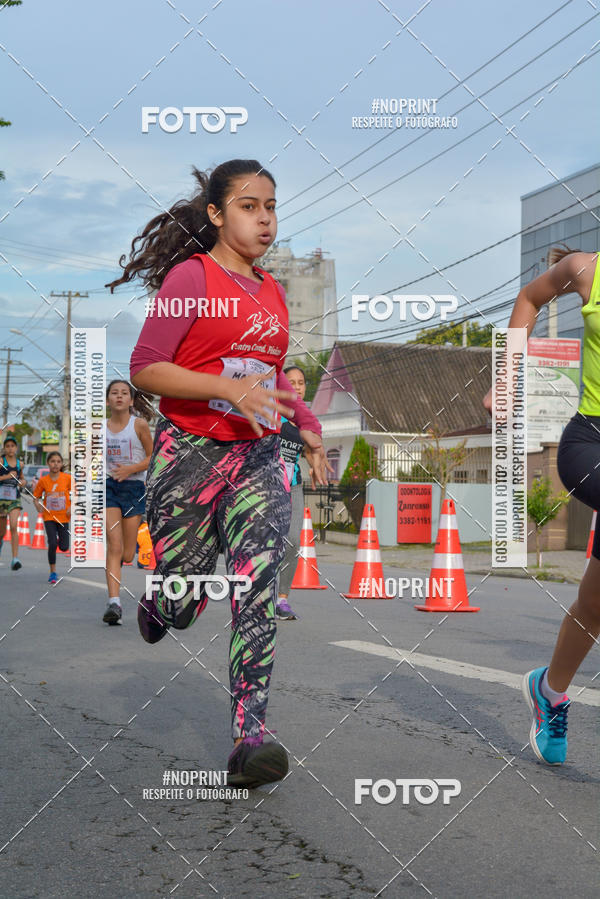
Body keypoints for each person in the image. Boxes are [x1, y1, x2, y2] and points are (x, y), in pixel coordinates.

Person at [110, 158, 331, 787]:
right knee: (185, 598)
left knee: (256, 588)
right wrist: (219, 389)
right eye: (248, 206)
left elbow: (272, 379)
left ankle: (249, 738)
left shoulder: (274, 291)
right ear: (215, 213)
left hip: (257, 458)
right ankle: (162, 601)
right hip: (190, 453)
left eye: (271, 207)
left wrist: (305, 425)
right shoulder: (191, 276)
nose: (265, 220)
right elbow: (147, 367)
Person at [483, 245, 600, 765]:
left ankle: (549, 691)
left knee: (595, 607)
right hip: (590, 443)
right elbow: (530, 298)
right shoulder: (586, 268)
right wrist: (506, 378)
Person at [103, 380, 154, 625]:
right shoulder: (100, 428)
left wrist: (131, 470)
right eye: (114, 393)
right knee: (113, 545)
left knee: (125, 554)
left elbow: (153, 456)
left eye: (124, 393)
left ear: (132, 400)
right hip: (110, 487)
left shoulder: (139, 425)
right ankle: (114, 603)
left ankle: (127, 552)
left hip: (134, 487)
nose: (119, 396)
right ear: (108, 400)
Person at [276, 365, 309, 620]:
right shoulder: (270, 412)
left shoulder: (306, 417)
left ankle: (282, 598)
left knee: (293, 541)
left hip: (294, 484)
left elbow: (310, 449)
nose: (297, 386)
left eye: (301, 382)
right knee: (263, 543)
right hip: (266, 486)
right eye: (291, 382)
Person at [33, 451, 72, 584]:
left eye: (58, 461)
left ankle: (59, 542)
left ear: (61, 464)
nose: (55, 464)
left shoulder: (67, 478)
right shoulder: (43, 480)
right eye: (53, 461)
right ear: (48, 463)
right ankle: (53, 572)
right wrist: (37, 506)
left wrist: (72, 507)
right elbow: (36, 497)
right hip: (49, 516)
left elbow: (78, 495)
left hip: (64, 518)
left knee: (64, 547)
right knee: (52, 543)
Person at [0, 435, 27, 571]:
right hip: (1, 500)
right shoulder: (1, 461)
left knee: (14, 526)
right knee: (1, 532)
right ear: (4, 448)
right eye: (8, 446)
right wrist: (6, 476)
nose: (10, 448)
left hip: (14, 498)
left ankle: (15, 559)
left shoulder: (19, 464)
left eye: (12, 446)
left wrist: (23, 482)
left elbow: (22, 479)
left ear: (16, 448)